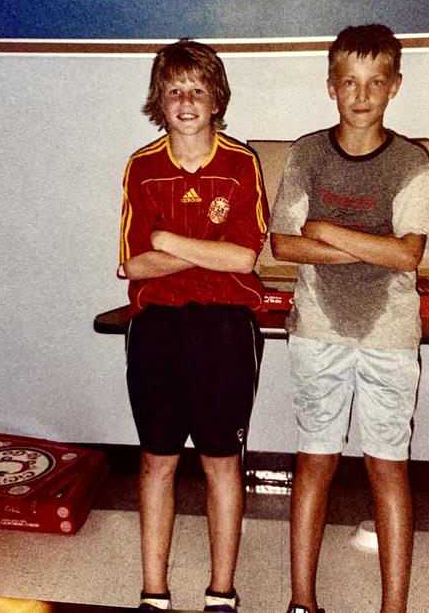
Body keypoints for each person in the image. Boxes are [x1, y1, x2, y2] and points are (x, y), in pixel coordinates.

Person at [269, 24, 429, 613]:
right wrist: (371, 243)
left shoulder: (411, 161)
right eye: (349, 82)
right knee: (314, 459)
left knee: (387, 467)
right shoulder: (308, 153)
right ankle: (301, 601)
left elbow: (408, 254)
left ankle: (394, 608)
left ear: (394, 87)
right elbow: (283, 246)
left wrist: (326, 230)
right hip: (318, 327)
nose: (361, 95)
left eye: (375, 82)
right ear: (331, 88)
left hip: (389, 333)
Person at [118, 39, 269, 612]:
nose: (186, 100)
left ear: (216, 99)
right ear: (160, 98)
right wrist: (210, 249)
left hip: (224, 331)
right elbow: (135, 264)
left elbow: (246, 259)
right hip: (157, 328)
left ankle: (221, 591)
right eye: (175, 89)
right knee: (156, 458)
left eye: (198, 90)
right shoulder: (142, 166)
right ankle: (153, 591)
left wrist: (172, 242)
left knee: (220, 461)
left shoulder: (239, 162)